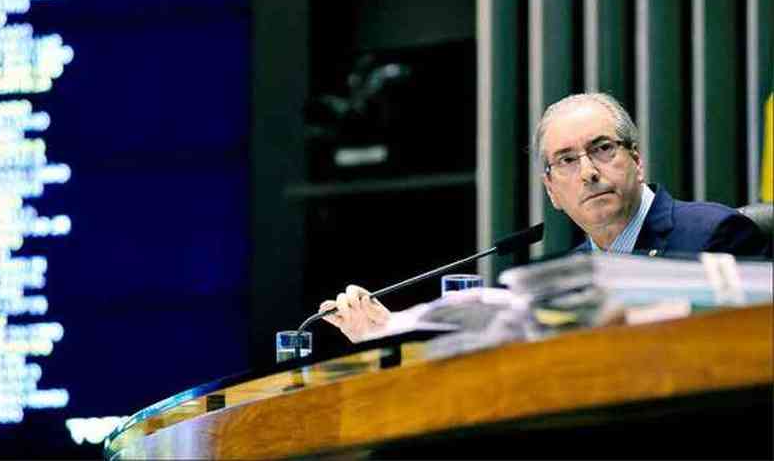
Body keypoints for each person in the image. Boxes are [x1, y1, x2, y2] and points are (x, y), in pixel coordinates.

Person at [319, 92, 768, 342]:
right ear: (552, 191)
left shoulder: (716, 234)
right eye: (567, 160)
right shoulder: (564, 280)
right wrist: (386, 330)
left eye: (602, 148)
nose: (589, 172)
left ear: (637, 160)